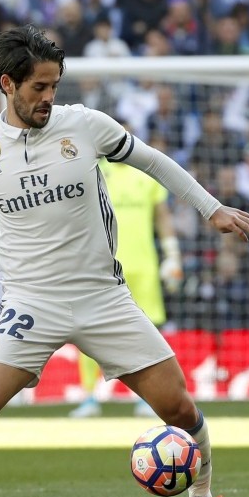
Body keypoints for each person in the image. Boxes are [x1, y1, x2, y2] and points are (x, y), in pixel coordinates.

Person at [0, 24, 249, 497]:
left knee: (180, 407)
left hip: (102, 296)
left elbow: (154, 162)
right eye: (39, 87)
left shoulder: (85, 126)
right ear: (7, 84)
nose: (49, 98)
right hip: (31, 300)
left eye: (55, 85)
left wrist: (210, 209)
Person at [69, 156, 182, 418]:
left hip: (144, 266)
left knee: (148, 331)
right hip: (102, 264)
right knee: (89, 327)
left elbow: (162, 217)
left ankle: (148, 398)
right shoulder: (93, 171)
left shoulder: (146, 175)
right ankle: (89, 397)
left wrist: (172, 255)